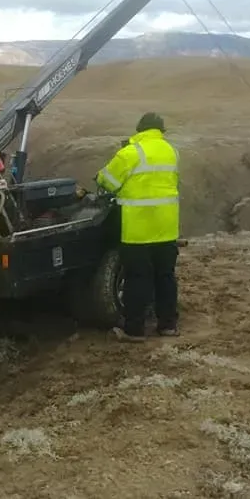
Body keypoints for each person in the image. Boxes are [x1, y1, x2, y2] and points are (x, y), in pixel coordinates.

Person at [95, 112, 181, 343]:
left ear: (139, 130)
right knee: (165, 276)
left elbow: (108, 182)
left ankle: (134, 330)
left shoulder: (130, 153)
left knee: (137, 278)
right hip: (166, 227)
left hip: (139, 229)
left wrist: (101, 178)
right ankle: (168, 325)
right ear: (160, 131)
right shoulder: (171, 151)